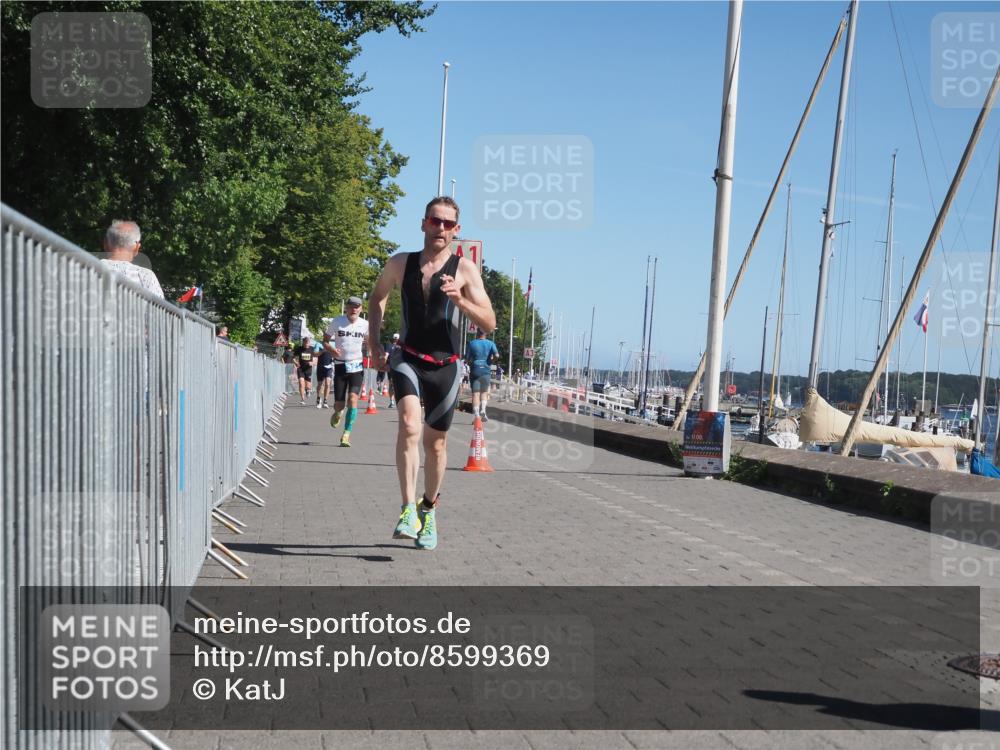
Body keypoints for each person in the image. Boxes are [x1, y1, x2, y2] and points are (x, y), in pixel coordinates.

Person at [368, 197, 495, 551]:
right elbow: (377, 297)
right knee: (409, 424)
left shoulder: (465, 270)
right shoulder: (400, 263)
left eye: (448, 224)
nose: (441, 229)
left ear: (457, 231)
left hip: (446, 365)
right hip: (407, 356)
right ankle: (407, 508)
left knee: (435, 444)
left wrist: (460, 300)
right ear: (423, 223)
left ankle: (429, 508)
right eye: (435, 221)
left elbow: (489, 321)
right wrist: (374, 344)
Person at [325, 296, 369, 447]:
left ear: (361, 309)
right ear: (346, 308)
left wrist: (372, 354)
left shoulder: (365, 324)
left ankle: (346, 434)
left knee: (353, 399)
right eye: (351, 306)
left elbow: (370, 342)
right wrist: (331, 349)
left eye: (357, 307)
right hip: (340, 366)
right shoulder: (337, 321)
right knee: (339, 404)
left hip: (357, 366)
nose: (354, 309)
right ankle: (338, 412)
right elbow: (325, 340)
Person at [99, 220, 164, 299]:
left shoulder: (88, 267)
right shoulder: (146, 276)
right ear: (136, 247)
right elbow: (158, 309)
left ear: (105, 244)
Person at [465, 328, 499, 421]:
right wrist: (491, 361)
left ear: (477, 333)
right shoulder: (491, 343)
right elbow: (497, 355)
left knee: (475, 394)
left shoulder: (472, 343)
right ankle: (483, 411)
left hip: (475, 370)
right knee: (484, 392)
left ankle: (476, 415)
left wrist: (470, 364)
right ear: (486, 334)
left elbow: (467, 359)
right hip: (486, 370)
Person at [293, 336, 316, 405]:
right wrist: (296, 362)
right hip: (300, 369)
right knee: (301, 383)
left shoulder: (312, 349)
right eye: (305, 343)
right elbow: (293, 357)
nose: (306, 344)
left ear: (309, 343)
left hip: (308, 369)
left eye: (307, 343)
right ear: (303, 342)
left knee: (308, 386)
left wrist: (313, 363)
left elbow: (316, 359)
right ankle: (302, 399)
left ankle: (308, 390)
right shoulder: (299, 349)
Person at [315, 342, 333, 408]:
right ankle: (318, 399)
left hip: (329, 367)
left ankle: (325, 400)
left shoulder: (332, 344)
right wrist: (322, 351)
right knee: (320, 384)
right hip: (320, 366)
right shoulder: (318, 344)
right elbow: (315, 354)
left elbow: (336, 354)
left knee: (328, 384)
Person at [385, 333, 401, 408]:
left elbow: (386, 355)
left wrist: (383, 364)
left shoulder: (389, 346)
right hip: (399, 367)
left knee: (392, 384)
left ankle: (392, 401)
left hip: (392, 367)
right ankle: (394, 401)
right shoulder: (401, 347)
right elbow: (386, 355)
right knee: (396, 385)